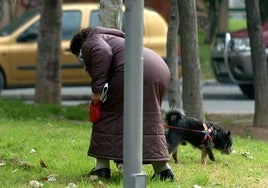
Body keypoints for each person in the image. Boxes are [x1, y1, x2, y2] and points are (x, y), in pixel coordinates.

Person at [69, 26, 174, 181]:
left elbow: (102, 53)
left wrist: (97, 90)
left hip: (134, 70)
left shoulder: (90, 42)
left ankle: (101, 169)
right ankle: (163, 171)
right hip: (158, 68)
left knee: (105, 113)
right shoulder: (116, 38)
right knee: (148, 118)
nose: (83, 64)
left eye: (81, 58)